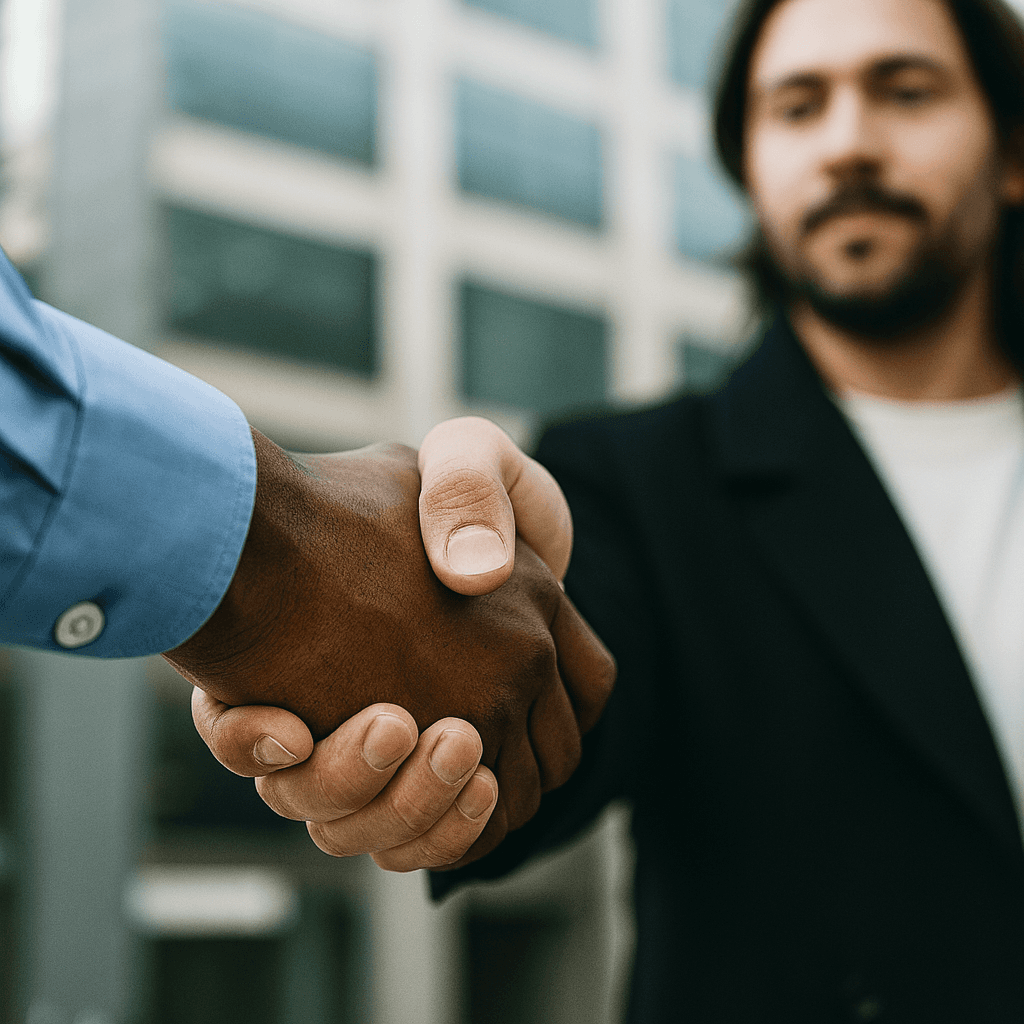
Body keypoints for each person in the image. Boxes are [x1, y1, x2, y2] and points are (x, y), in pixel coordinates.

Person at [219, 0, 1024, 1016]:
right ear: (752, 172)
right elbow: (546, 680)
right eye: (797, 106)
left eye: (905, 91)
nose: (847, 143)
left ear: (1011, 152)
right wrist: (384, 626)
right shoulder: (633, 483)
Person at [0, 242, 614, 863]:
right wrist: (261, 555)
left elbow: (533, 687)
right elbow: (546, 658)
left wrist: (261, 562)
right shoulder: (632, 471)